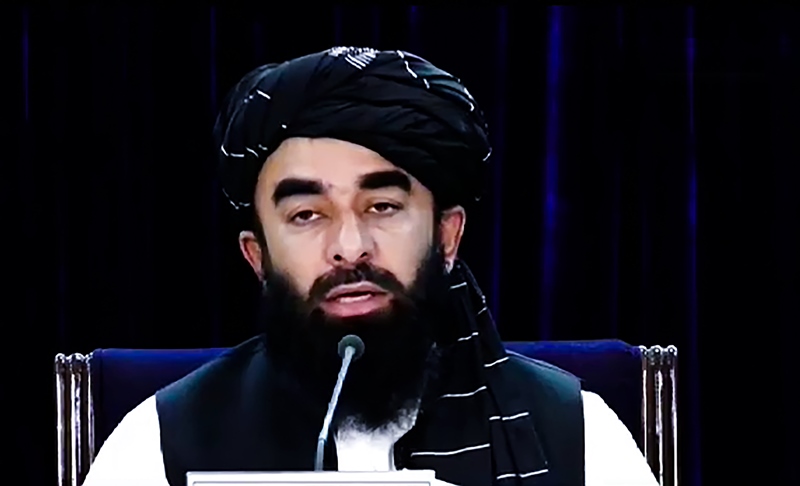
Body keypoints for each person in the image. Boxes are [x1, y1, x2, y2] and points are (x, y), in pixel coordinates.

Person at [82, 47, 658, 486]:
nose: (350, 247)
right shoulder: (158, 446)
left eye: (382, 206)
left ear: (447, 236)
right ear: (257, 257)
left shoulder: (577, 436)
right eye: (307, 214)